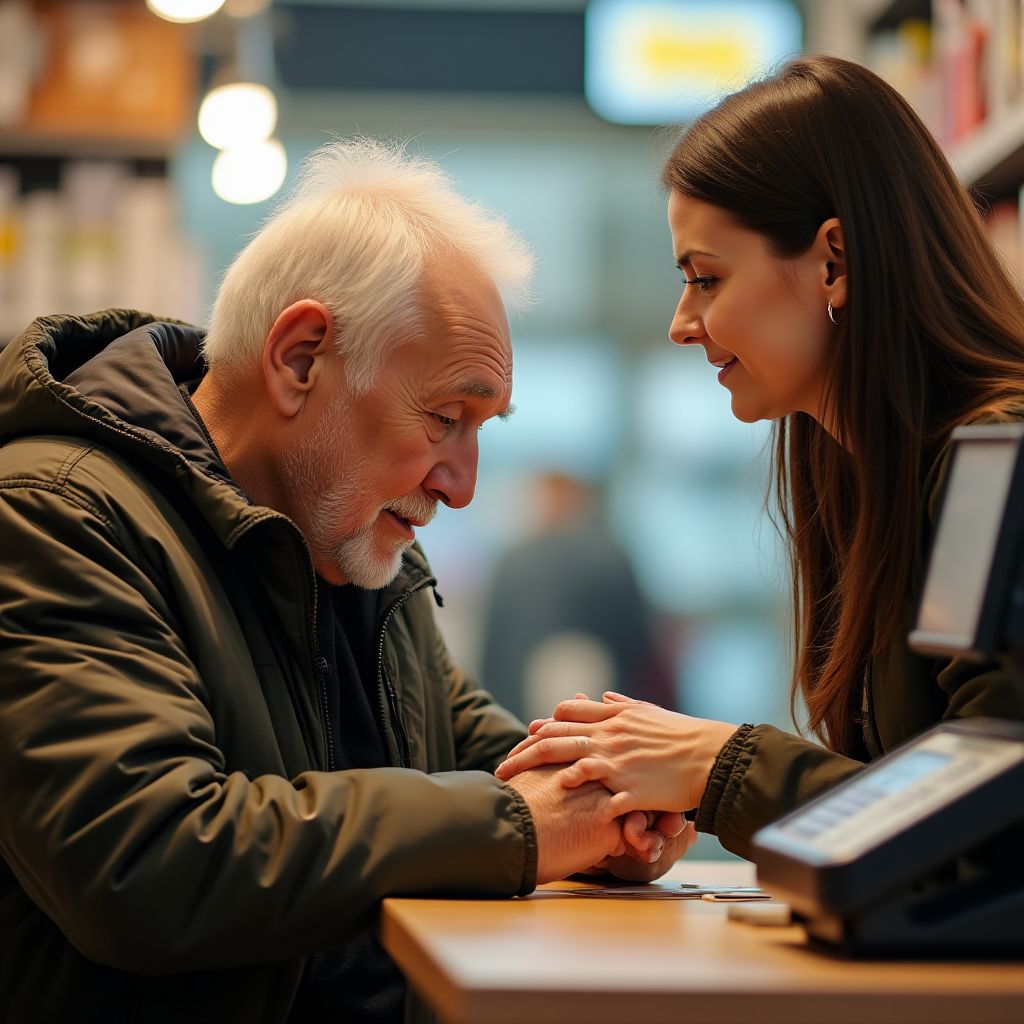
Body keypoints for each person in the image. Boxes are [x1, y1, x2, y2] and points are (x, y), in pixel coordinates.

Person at [0, 139, 693, 1024]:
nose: (463, 482)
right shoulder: (56, 514)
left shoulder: (347, 537)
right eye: (446, 419)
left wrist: (608, 806)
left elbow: (475, 754)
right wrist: (521, 827)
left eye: (482, 429)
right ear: (299, 359)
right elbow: (144, 860)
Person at [496, 55, 1024, 859]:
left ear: (833, 262)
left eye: (706, 278)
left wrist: (716, 765)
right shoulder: (862, 473)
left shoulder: (996, 463)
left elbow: (991, 824)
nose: (682, 322)